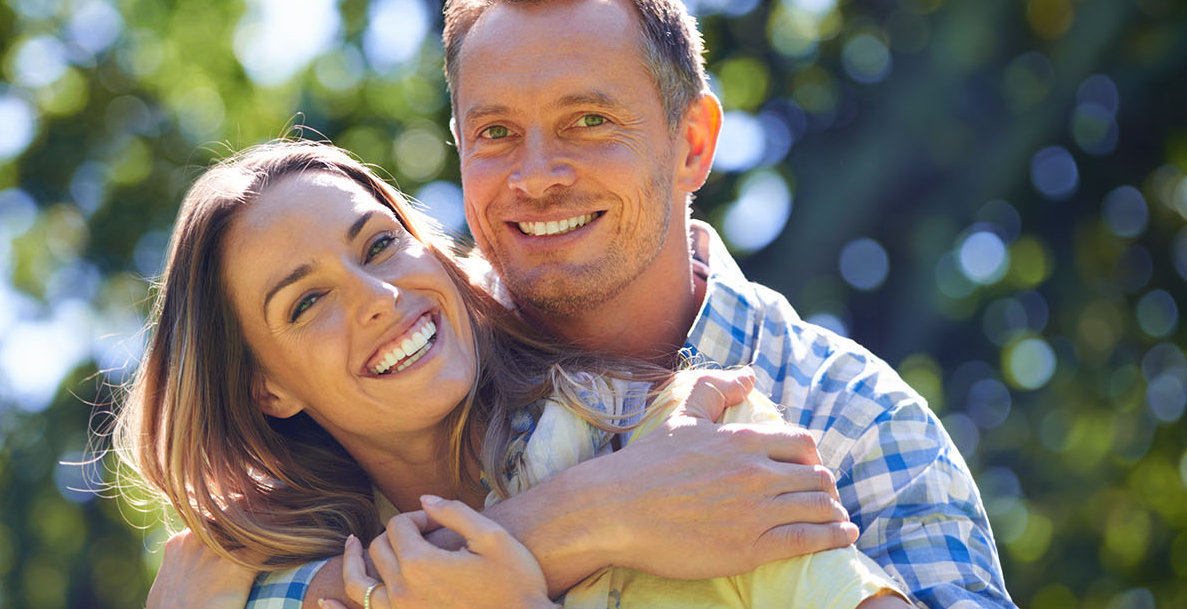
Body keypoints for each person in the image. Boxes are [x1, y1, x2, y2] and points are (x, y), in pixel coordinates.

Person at [167, 0, 1011, 609]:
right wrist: (600, 513)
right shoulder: (403, 395)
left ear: (692, 144)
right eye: (496, 133)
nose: (536, 176)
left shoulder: (843, 420)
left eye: (587, 121)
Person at [118, 141, 911, 608]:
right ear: (268, 388)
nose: (378, 298)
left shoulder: (692, 443)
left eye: (379, 245)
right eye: (308, 301)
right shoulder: (259, 587)